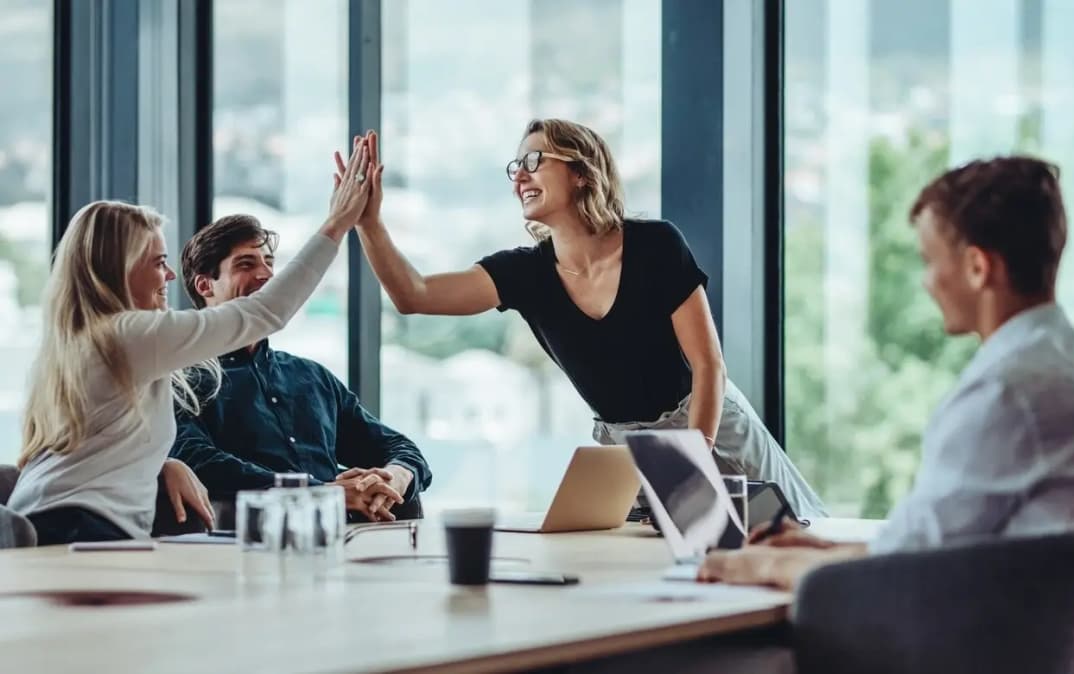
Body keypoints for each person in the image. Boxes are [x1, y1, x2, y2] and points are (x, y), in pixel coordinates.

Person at [337, 119, 826, 517]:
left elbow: (708, 366)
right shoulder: (524, 273)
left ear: (581, 172)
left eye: (534, 161)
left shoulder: (656, 245)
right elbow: (413, 294)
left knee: (795, 539)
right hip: (625, 449)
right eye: (515, 167)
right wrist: (370, 223)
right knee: (656, 574)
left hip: (708, 424)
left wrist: (691, 462)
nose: (519, 176)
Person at [698, 156, 1074, 590]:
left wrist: (758, 567)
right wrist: (820, 550)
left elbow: (906, 572)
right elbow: (930, 544)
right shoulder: (1060, 362)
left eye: (930, 261)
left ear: (978, 268)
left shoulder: (1007, 392)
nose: (926, 282)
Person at [8, 136, 375, 545]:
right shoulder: (125, 335)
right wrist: (337, 224)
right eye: (158, 262)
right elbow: (265, 312)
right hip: (76, 529)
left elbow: (97, 444)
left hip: (47, 520)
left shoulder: (81, 341)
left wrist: (163, 464)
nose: (169, 276)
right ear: (119, 268)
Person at [170, 213, 431, 522]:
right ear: (205, 285)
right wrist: (320, 492)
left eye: (269, 262)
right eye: (246, 264)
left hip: (348, 543)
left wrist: (394, 478)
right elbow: (198, 460)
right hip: (250, 546)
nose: (267, 275)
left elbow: (398, 446)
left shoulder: (311, 377)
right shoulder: (181, 380)